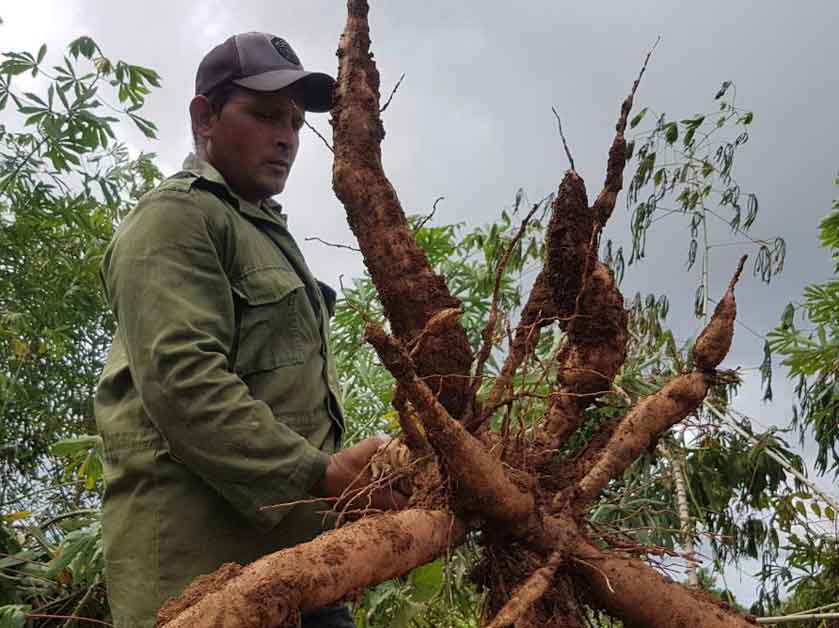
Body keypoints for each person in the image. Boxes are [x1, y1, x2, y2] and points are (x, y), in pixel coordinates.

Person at [95, 32, 406, 628]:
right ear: (204, 115)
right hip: (201, 577)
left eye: (293, 120)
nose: (286, 137)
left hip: (298, 569)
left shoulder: (260, 231)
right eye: (264, 115)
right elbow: (186, 387)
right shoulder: (175, 219)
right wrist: (319, 475)